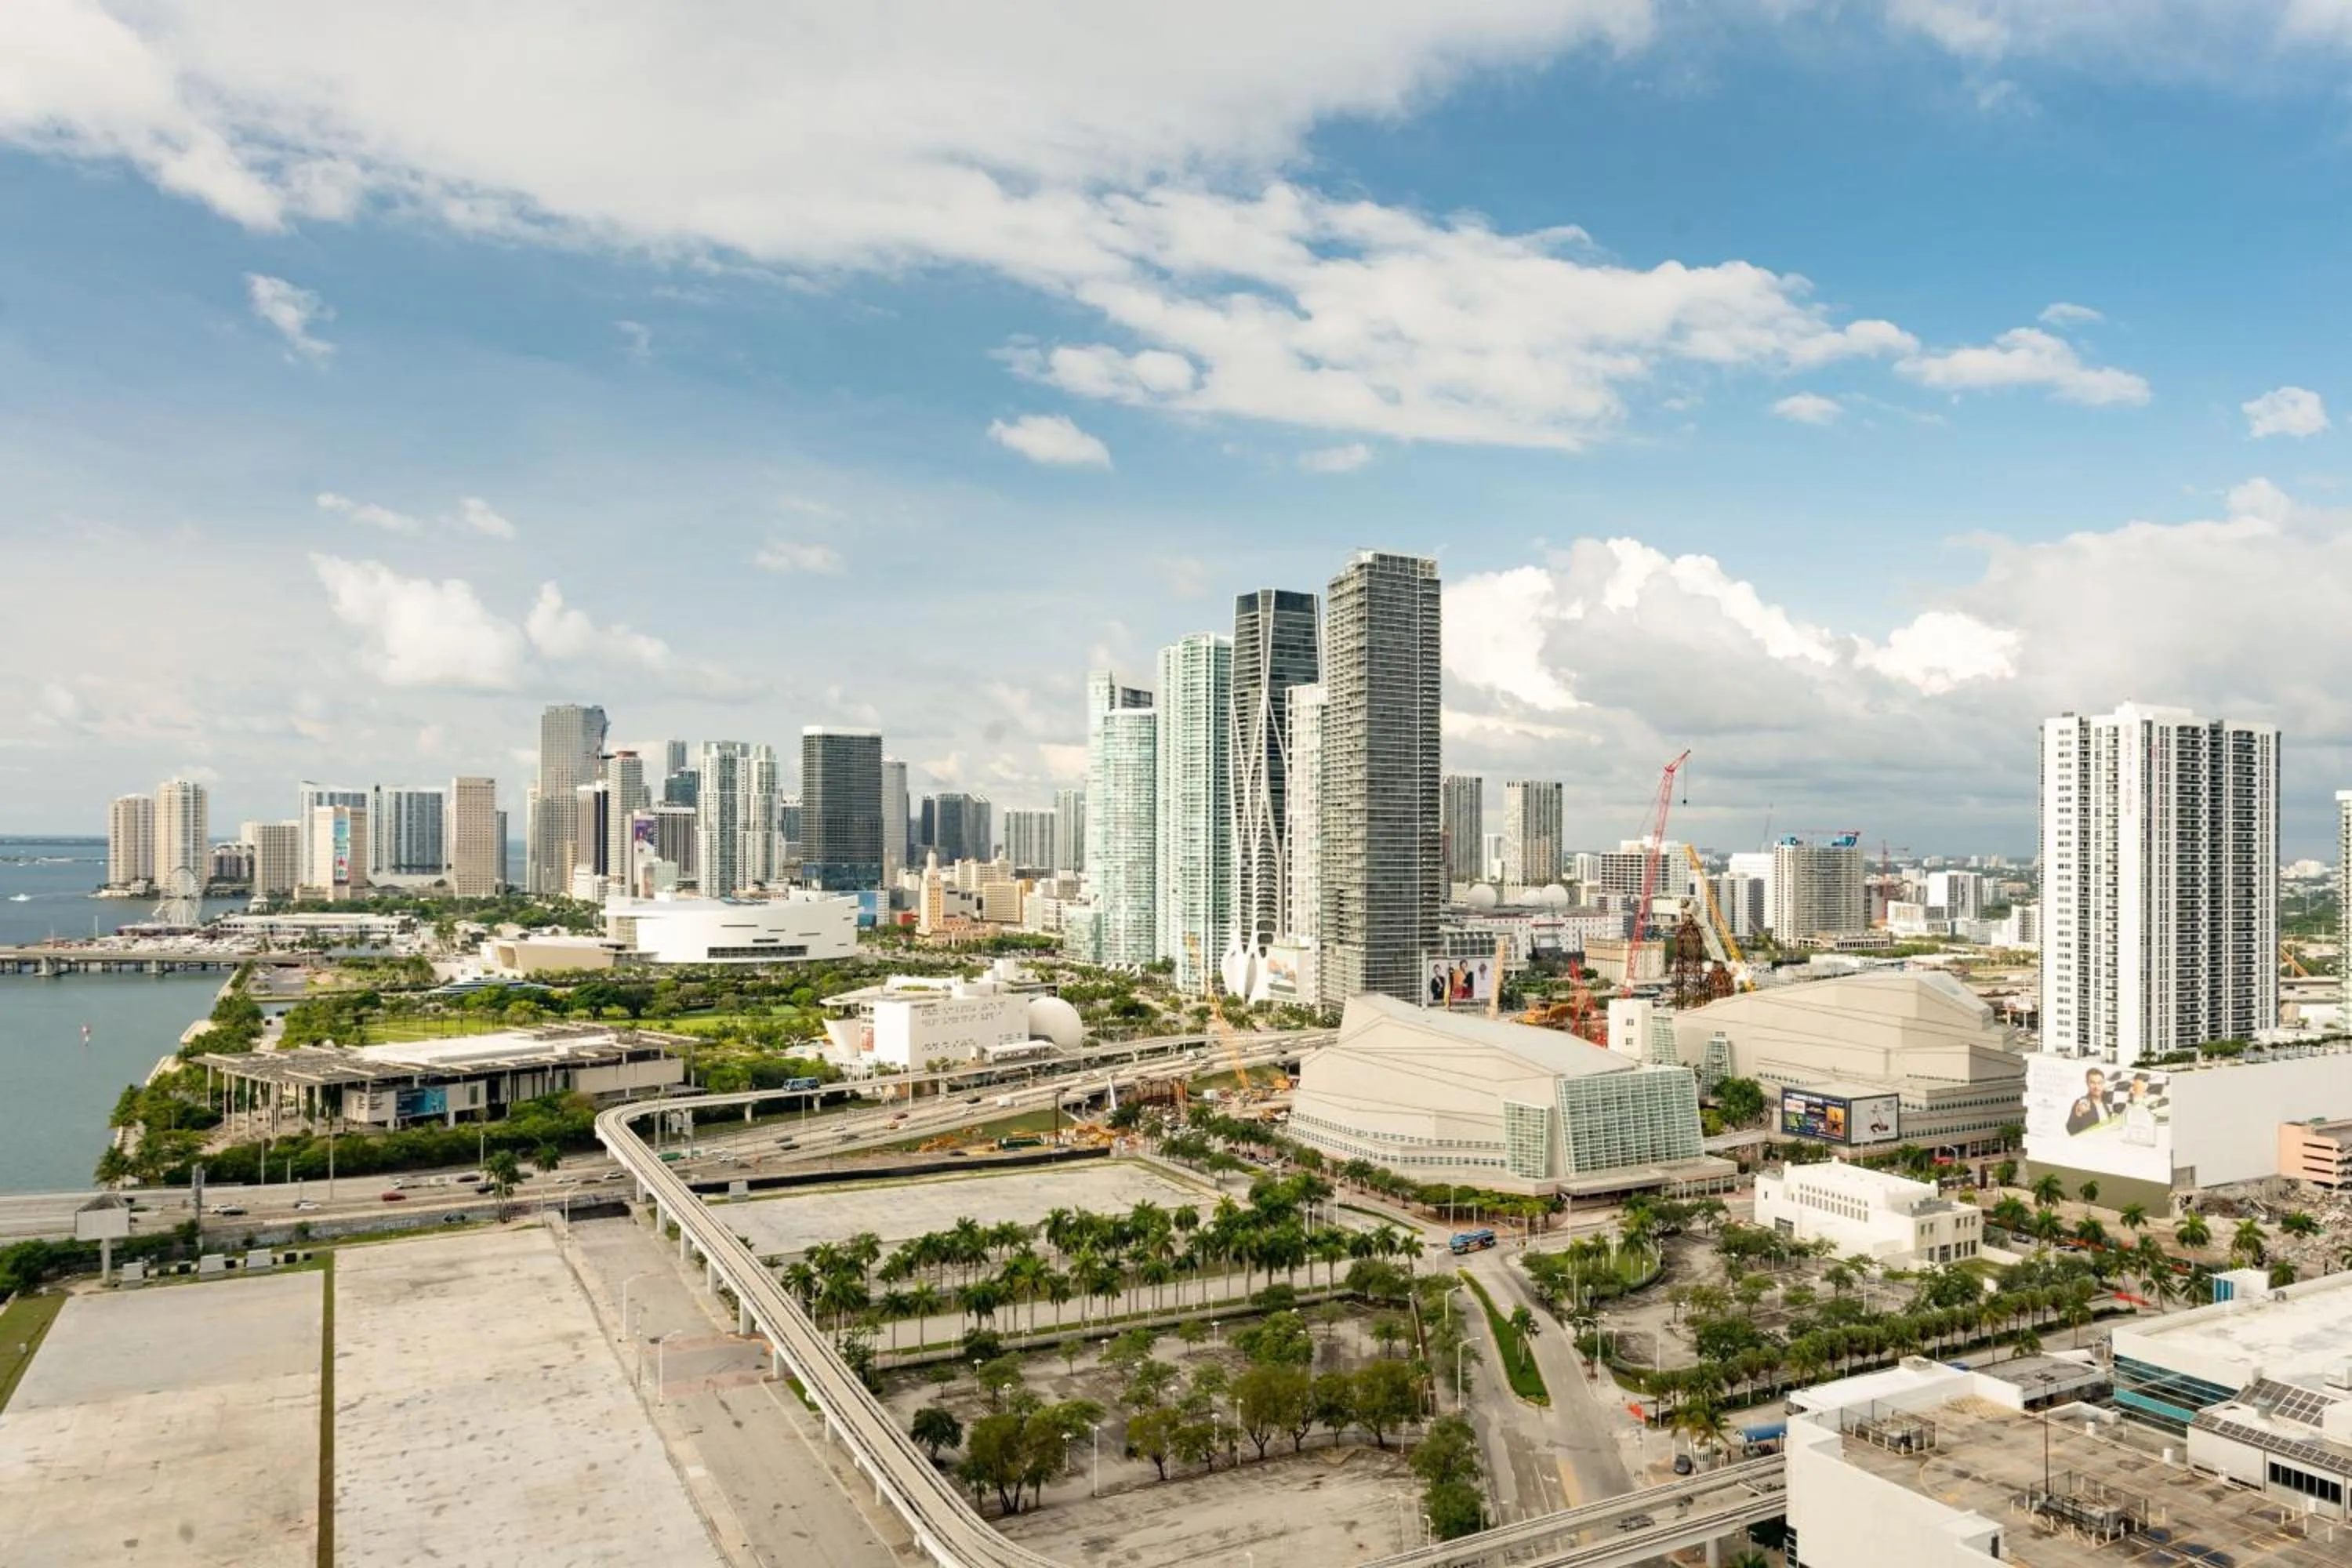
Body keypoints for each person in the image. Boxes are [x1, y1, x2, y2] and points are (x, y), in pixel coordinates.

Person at [2065, 1068, 2108, 1136]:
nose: (2096, 1087)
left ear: (2103, 1083)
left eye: (2099, 1083)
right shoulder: (2081, 1103)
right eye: (2093, 1083)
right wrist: (2078, 1115)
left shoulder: (2107, 1104)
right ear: (2087, 1083)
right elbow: (2071, 1130)